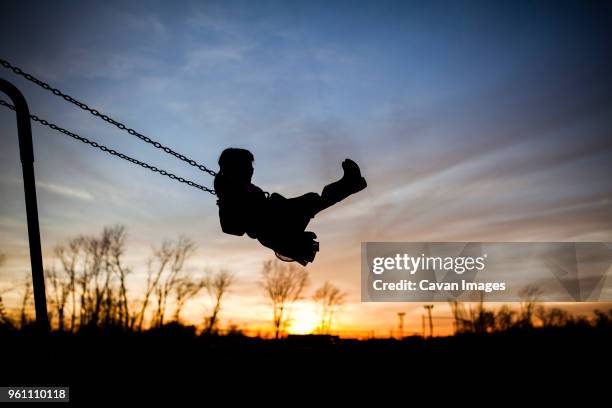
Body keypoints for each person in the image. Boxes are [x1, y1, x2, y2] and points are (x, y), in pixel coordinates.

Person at [214, 148, 367, 266]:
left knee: (312, 199)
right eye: (247, 166)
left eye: (251, 166)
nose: (251, 169)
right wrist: (228, 204)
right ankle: (351, 183)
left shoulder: (239, 187)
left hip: (278, 219)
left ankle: (350, 183)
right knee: (312, 200)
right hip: (274, 227)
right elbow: (232, 228)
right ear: (235, 168)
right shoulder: (229, 191)